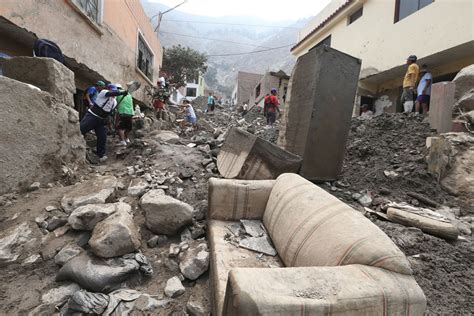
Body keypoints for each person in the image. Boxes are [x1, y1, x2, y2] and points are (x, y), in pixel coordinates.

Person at [80, 84, 128, 162]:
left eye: (115, 90)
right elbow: (111, 93)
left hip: (102, 120)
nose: (114, 92)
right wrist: (121, 92)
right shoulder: (103, 92)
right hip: (92, 116)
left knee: (102, 137)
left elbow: (109, 112)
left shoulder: (115, 102)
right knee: (81, 130)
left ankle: (101, 155)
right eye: (113, 90)